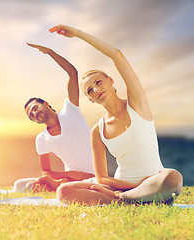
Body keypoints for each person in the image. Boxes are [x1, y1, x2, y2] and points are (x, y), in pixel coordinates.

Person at [49, 25, 183, 205]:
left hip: (152, 181)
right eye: (90, 90)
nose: (96, 89)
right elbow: (102, 178)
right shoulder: (97, 131)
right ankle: (131, 199)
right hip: (119, 185)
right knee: (64, 191)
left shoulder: (137, 104)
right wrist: (124, 187)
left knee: (173, 178)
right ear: (90, 99)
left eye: (98, 82)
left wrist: (78, 34)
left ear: (111, 81)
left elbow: (117, 54)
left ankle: (124, 199)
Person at [13, 43, 94, 192]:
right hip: (71, 178)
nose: (35, 114)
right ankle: (60, 184)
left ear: (45, 103)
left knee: (64, 187)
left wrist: (50, 52)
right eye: (31, 115)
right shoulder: (42, 139)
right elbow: (46, 171)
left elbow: (72, 73)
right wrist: (69, 175)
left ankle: (58, 185)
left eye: (35, 108)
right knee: (18, 185)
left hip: (95, 176)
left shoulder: (71, 110)